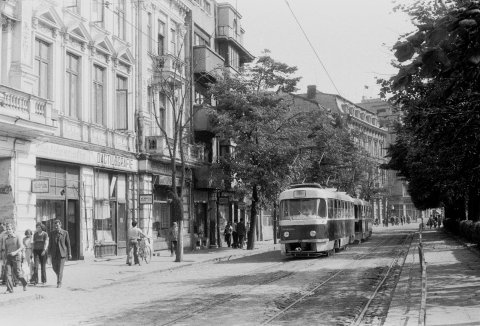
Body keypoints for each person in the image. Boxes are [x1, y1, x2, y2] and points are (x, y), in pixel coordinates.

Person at [1, 223, 28, 293]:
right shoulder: (5, 238)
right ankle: (9, 289)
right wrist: (4, 259)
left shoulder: (17, 236)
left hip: (16, 257)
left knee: (18, 274)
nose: (8, 230)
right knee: (7, 274)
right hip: (8, 257)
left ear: (12, 229)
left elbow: (22, 247)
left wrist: (15, 252)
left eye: (9, 229)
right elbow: (5, 249)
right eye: (7, 229)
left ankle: (24, 283)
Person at [49, 219, 71, 288]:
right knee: (54, 267)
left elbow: (68, 244)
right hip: (54, 253)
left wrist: (69, 253)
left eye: (57, 225)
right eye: (55, 225)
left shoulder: (65, 233)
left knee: (60, 269)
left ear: (60, 225)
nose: (56, 227)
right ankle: (59, 276)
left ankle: (59, 282)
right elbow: (50, 244)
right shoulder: (52, 233)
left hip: (62, 254)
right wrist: (49, 254)